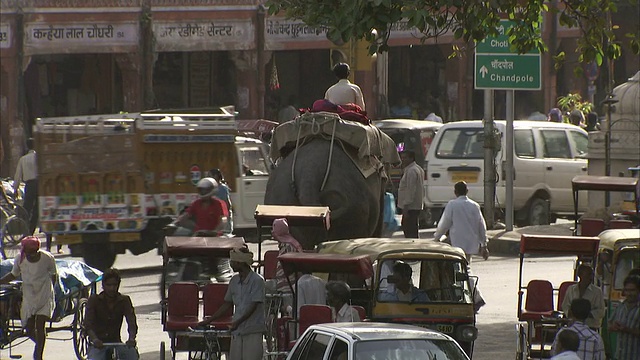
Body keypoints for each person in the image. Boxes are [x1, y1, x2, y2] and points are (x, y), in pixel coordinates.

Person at [199, 246, 266, 360]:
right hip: (237, 331)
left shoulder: (257, 281)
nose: (231, 264)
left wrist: (237, 322)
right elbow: (227, 304)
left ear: (241, 262)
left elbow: (253, 306)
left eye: (233, 262)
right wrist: (209, 320)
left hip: (252, 331)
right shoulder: (234, 281)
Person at [432, 181, 488, 311]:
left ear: (455, 192)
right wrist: (484, 244)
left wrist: (436, 238)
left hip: (457, 244)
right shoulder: (475, 206)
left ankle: (477, 297)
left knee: (463, 271)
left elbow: (444, 223)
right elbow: (481, 226)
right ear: (467, 191)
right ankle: (466, 297)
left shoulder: (452, 205)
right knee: (464, 270)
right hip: (471, 244)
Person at [0, 236, 57, 360]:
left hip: (44, 293)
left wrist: (53, 291)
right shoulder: (20, 259)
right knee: (29, 327)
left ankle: (38, 355)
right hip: (29, 295)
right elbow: (14, 274)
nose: (29, 255)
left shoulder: (47, 257)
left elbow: (53, 274)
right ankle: (40, 344)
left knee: (40, 324)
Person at [85, 268, 139, 360]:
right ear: (103, 285)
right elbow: (88, 325)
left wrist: (131, 338)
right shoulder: (94, 300)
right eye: (108, 285)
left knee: (132, 356)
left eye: (115, 285)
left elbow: (131, 322)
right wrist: (95, 339)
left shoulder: (124, 300)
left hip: (116, 342)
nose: (112, 288)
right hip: (98, 345)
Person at [272, 218, 303, 315]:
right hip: (284, 286)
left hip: (289, 287)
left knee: (290, 313)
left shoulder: (289, 246)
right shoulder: (284, 244)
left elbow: (291, 267)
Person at [561, 265, 605, 329]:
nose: (591, 277)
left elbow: (601, 311)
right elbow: (565, 306)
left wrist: (586, 314)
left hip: (590, 326)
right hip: (573, 325)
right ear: (580, 275)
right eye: (588, 274)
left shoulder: (597, 291)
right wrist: (570, 313)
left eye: (592, 274)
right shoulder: (571, 289)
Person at [608, 275, 640, 360]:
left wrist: (627, 329)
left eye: (632, 290)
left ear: (638, 290)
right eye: (627, 290)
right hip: (620, 356)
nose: (629, 293)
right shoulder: (620, 307)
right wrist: (613, 327)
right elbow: (609, 324)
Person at [14, 137, 38, 234]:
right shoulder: (39, 157)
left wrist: (15, 189)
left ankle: (25, 229)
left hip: (29, 185)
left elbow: (17, 175)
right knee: (37, 208)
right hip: (39, 184)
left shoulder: (23, 159)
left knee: (27, 208)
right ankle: (31, 230)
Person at [397, 150, 424, 238]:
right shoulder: (416, 169)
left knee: (409, 230)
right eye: (402, 158)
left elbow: (410, 189)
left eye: (405, 158)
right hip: (414, 205)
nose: (403, 160)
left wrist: (406, 206)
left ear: (411, 158)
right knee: (411, 228)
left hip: (410, 206)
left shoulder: (412, 171)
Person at [209, 168, 233, 235]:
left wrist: (226, 216)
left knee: (225, 234)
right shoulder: (211, 188)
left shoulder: (222, 188)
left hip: (223, 216)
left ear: (216, 176)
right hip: (215, 216)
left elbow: (227, 203)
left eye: (210, 176)